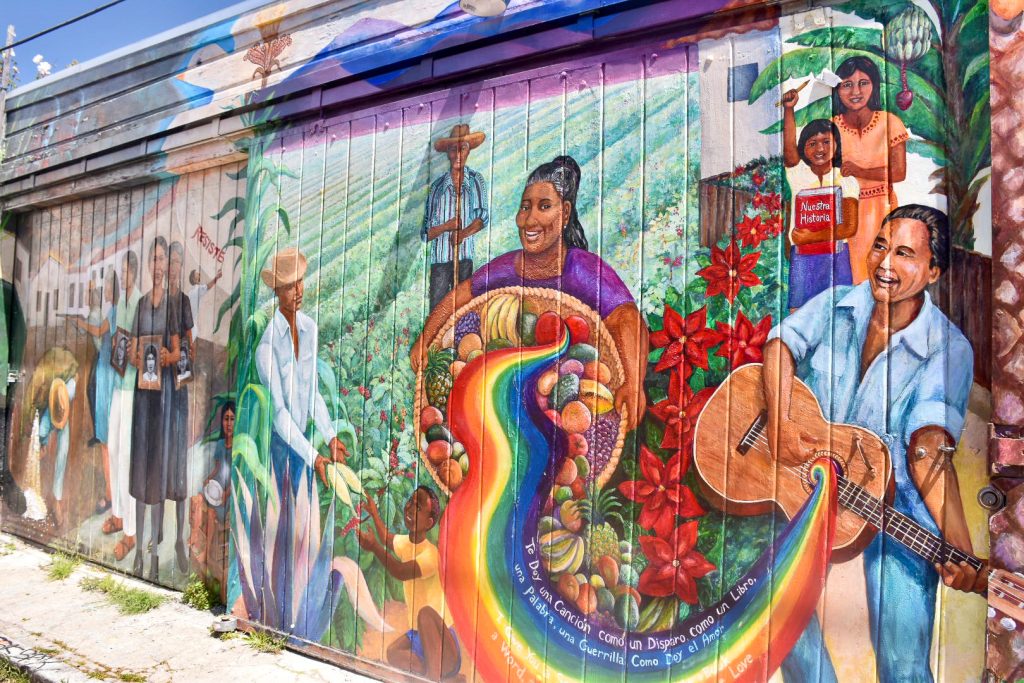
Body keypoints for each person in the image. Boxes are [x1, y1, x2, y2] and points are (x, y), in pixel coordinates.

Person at [762, 205, 984, 681]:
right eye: (881, 245)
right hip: (804, 477)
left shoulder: (950, 349)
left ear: (933, 271)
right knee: (776, 614)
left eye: (904, 253)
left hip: (897, 501)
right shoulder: (838, 302)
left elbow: (927, 450)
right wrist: (780, 425)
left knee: (904, 663)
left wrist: (960, 549)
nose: (884, 262)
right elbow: (780, 345)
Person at [412, 154, 648, 430]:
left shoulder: (582, 268)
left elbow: (627, 317)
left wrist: (633, 383)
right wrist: (425, 338)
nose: (529, 219)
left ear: (565, 213)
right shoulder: (508, 267)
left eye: (544, 206)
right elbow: (461, 295)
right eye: (525, 208)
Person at [253, 246, 349, 637]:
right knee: (284, 528)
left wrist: (329, 437)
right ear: (278, 292)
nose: (299, 291)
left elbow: (311, 396)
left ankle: (302, 609)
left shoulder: (308, 330)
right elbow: (279, 418)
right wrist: (315, 457)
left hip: (307, 448)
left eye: (300, 283)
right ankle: (281, 613)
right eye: (290, 286)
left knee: (306, 528)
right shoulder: (266, 345)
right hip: (283, 450)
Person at [782, 57, 908, 284]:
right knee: (850, 280)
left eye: (864, 83)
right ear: (837, 89)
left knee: (883, 277)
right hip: (845, 213)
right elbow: (795, 158)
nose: (855, 91)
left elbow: (899, 173)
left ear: (875, 85)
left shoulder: (890, 123)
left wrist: (861, 170)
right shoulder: (831, 127)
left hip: (882, 209)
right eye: (847, 84)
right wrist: (789, 111)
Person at [358, 487, 460, 680]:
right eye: (411, 501)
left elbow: (400, 572)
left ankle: (434, 675)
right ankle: (434, 677)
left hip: (442, 644)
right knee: (393, 654)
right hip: (418, 638)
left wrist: (374, 547)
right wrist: (374, 512)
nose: (410, 508)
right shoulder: (406, 543)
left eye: (418, 507)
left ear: (429, 523)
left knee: (425, 614)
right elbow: (386, 537)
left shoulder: (430, 555)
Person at [128, 237, 184, 581]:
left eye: (162, 260)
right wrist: (140, 358)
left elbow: (178, 351)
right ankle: (137, 550)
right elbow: (134, 349)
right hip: (142, 397)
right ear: (149, 266)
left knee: (159, 470)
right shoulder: (141, 305)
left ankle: (153, 551)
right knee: (140, 469)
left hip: (162, 398)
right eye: (155, 260)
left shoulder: (173, 309)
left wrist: (165, 357)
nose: (159, 266)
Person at [779, 114, 860, 310]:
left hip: (836, 257)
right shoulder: (798, 175)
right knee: (798, 314)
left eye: (826, 142)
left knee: (839, 312)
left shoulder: (846, 179)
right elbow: (789, 151)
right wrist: (789, 109)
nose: (820, 149)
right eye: (812, 143)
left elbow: (849, 227)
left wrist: (810, 236)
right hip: (804, 259)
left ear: (836, 145)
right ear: (803, 148)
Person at [422, 124, 489, 310]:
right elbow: (425, 234)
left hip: (464, 260)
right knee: (438, 312)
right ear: (448, 153)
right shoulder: (436, 188)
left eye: (463, 148)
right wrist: (446, 226)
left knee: (463, 309)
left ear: (468, 151)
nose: (458, 154)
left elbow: (482, 217)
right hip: (440, 263)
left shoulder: (476, 181)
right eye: (453, 149)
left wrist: (464, 233)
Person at [74, 270, 120, 515]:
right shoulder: (114, 310)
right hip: (105, 370)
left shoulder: (113, 311)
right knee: (107, 441)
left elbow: (99, 331)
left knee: (106, 442)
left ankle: (111, 496)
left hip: (106, 371)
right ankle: (112, 494)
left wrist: (80, 323)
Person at [105, 250, 142, 562]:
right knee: (114, 450)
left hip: (133, 389)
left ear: (134, 272)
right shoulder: (120, 305)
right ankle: (117, 514)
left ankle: (130, 532)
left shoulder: (140, 302)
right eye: (121, 272)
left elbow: (144, 346)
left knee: (127, 457)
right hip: (118, 384)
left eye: (126, 271)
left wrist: (134, 351)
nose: (123, 276)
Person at [22, 348, 79, 530]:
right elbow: (28, 405)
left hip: (64, 386)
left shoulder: (69, 386)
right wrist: (38, 441)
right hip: (51, 393)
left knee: (63, 448)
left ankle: (58, 500)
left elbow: (75, 375)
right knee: (43, 429)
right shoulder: (40, 378)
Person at [189, 401, 234, 594]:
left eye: (232, 419)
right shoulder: (219, 444)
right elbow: (218, 468)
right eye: (226, 419)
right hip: (215, 489)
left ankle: (205, 555)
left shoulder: (238, 447)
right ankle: (193, 539)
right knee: (197, 499)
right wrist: (208, 478)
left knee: (214, 512)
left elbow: (234, 476)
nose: (229, 423)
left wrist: (227, 492)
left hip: (226, 495)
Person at [187, 268, 222, 334]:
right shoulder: (197, 289)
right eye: (196, 274)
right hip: (191, 324)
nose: (199, 274)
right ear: (194, 279)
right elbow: (208, 286)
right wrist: (217, 277)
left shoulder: (191, 291)